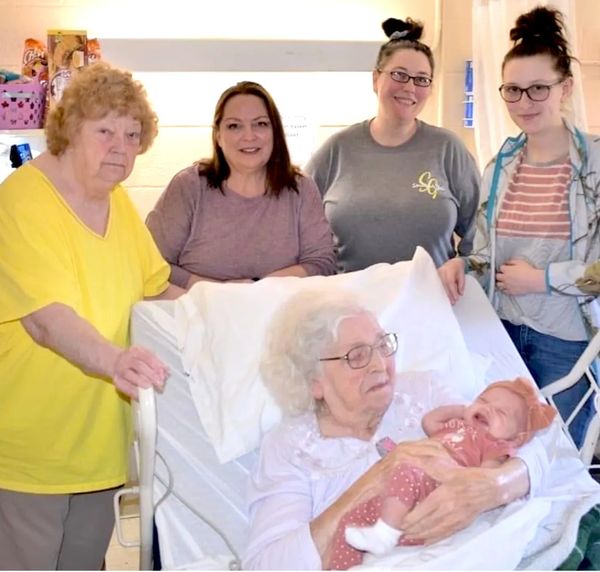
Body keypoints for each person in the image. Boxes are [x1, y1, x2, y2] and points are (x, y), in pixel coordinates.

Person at [0, 62, 183, 570]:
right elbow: (45, 319)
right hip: (29, 454)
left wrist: (228, 306)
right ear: (69, 128)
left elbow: (159, 288)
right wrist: (115, 360)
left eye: (132, 134)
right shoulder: (22, 199)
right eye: (104, 130)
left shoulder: (117, 202)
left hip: (98, 451)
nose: (121, 146)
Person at [243, 291, 553, 570]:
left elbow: (531, 442)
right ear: (315, 381)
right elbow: (267, 565)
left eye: (382, 345)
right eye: (357, 356)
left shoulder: (424, 391)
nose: (380, 364)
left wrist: (496, 484)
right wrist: (376, 478)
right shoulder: (289, 448)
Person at [438, 6, 599, 448]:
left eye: (538, 89)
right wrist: (463, 264)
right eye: (513, 90)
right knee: (502, 451)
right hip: (503, 330)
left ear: (565, 88)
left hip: (565, 338)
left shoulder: (595, 166)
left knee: (562, 453)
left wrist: (541, 279)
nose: (524, 103)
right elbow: (489, 253)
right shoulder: (500, 166)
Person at [304, 17, 480, 273]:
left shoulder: (448, 150)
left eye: (421, 79)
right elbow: (297, 232)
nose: (409, 87)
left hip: (431, 304)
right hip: (351, 306)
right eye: (399, 75)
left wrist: (463, 269)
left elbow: (481, 234)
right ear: (376, 79)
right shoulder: (335, 151)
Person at [330, 378, 556, 570]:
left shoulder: (494, 445)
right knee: (351, 520)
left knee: (406, 468)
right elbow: (429, 421)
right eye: (483, 401)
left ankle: (386, 533)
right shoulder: (456, 425)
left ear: (515, 438)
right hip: (406, 489)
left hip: (433, 489)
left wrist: (447, 469)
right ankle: (341, 566)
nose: (486, 409)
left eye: (500, 412)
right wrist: (463, 410)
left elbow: (479, 480)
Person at [146, 81, 336, 287]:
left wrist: (260, 287)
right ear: (218, 135)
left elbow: (323, 263)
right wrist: (221, 292)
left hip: (283, 315)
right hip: (201, 314)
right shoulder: (188, 187)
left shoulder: (301, 189)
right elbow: (151, 263)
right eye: (234, 126)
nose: (249, 136)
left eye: (260, 124)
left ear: (275, 132)